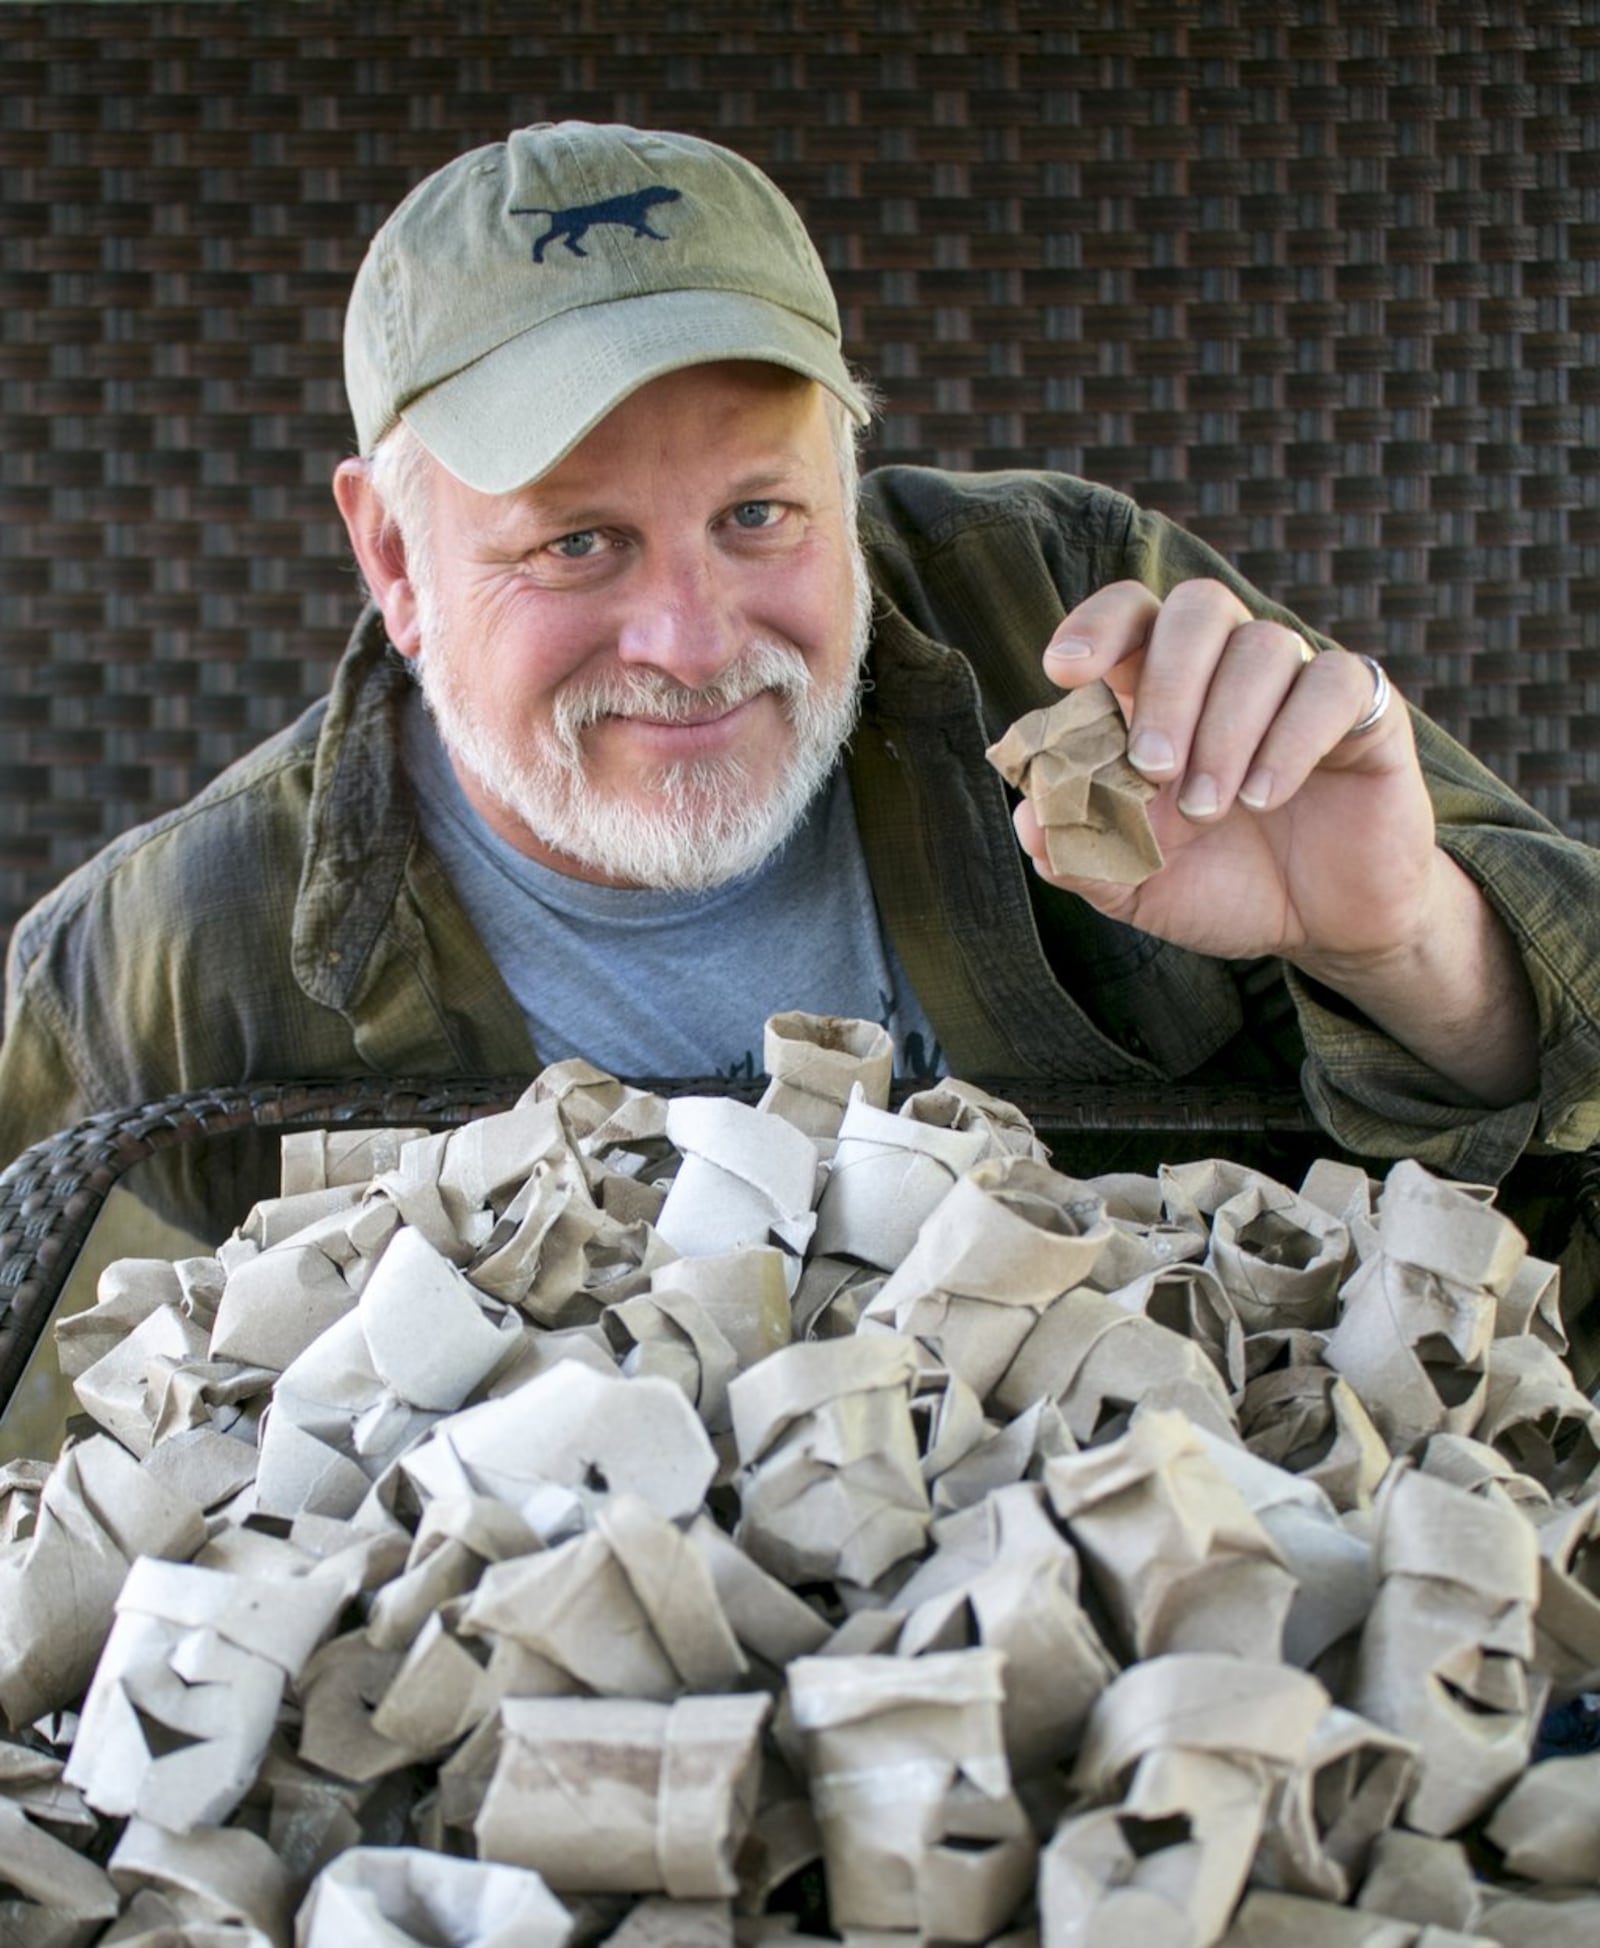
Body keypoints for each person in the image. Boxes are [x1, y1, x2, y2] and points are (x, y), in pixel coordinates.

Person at [1, 121, 1597, 1229]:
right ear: (395, 561)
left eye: (760, 514)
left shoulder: (1062, 603)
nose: (695, 645)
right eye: (579, 545)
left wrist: (1406, 951)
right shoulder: (144, 987)